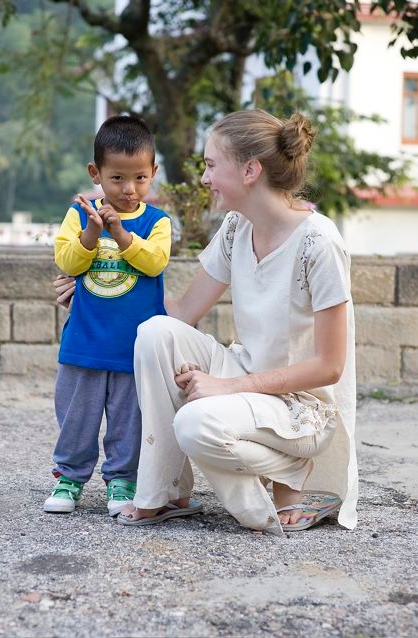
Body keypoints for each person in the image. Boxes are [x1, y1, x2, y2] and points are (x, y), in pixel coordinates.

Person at [56, 109, 358, 536]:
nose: (204, 178)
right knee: (155, 333)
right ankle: (161, 493)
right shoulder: (237, 227)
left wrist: (226, 387)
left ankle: (290, 474)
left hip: (301, 409)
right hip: (246, 380)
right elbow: (177, 314)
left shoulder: (319, 243)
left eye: (211, 165)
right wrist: (94, 299)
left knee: (194, 423)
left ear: (250, 170)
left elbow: (329, 366)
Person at [44, 115, 171, 517]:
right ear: (96, 173)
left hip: (134, 349)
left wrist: (120, 234)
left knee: (128, 420)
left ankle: (121, 481)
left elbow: (155, 263)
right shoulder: (78, 216)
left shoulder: (158, 222)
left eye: (139, 178)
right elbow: (66, 260)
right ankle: (69, 478)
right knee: (75, 417)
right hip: (84, 341)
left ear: (153, 172)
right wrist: (90, 233)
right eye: (117, 178)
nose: (129, 189)